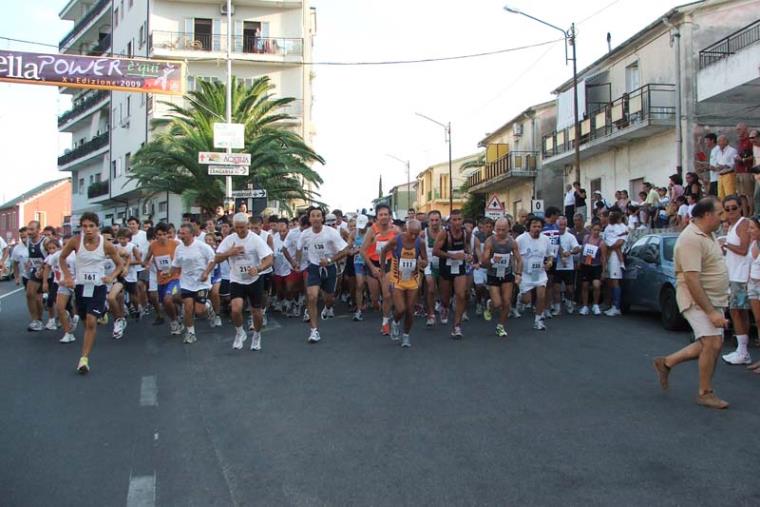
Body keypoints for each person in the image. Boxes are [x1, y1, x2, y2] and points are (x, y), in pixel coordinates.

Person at [653, 197, 730, 409]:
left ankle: (666, 362)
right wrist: (711, 312)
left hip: (713, 298)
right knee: (712, 343)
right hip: (697, 299)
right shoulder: (690, 239)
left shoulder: (708, 234)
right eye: (720, 213)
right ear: (707, 215)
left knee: (712, 344)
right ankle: (705, 392)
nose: (723, 218)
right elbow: (692, 280)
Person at [59, 212, 124, 374]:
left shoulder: (106, 245)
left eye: (91, 226)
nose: (88, 229)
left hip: (98, 287)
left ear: (97, 227)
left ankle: (84, 359)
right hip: (81, 286)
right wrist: (67, 276)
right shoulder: (75, 241)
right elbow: (62, 258)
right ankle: (102, 311)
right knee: (83, 317)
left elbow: (120, 264)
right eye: (85, 226)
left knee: (90, 322)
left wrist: (111, 277)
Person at [216, 213, 273, 350]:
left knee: (256, 312)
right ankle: (240, 332)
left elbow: (269, 259)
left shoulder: (255, 240)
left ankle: (257, 335)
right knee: (235, 309)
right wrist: (229, 252)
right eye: (237, 228)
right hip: (236, 279)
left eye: (243, 227)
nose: (240, 230)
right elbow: (216, 258)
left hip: (254, 279)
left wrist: (259, 268)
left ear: (248, 226)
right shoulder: (230, 240)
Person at [297, 207, 349, 343]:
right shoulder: (305, 234)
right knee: (312, 296)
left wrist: (330, 260)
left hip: (329, 268)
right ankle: (314, 331)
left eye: (318, 215)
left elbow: (345, 250)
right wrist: (297, 263)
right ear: (309, 219)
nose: (315, 218)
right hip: (313, 268)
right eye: (313, 216)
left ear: (322, 218)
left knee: (329, 299)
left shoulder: (331, 233)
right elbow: (298, 248)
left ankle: (327, 307)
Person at [380, 219, 428, 347]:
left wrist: (423, 263)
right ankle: (395, 322)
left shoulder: (421, 242)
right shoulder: (397, 239)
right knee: (401, 308)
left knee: (410, 310)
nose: (413, 236)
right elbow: (384, 251)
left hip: (413, 279)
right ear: (406, 230)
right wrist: (383, 271)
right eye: (411, 233)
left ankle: (406, 335)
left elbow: (425, 260)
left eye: (416, 234)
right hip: (397, 279)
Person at [718, 195, 752, 365]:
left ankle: (743, 350)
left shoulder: (743, 224)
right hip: (733, 275)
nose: (731, 211)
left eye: (734, 207)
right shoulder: (731, 227)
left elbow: (743, 249)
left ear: (740, 207)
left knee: (737, 311)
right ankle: (742, 349)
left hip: (741, 276)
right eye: (728, 208)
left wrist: (725, 245)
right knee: (738, 312)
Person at [172, 223, 217, 344]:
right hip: (186, 283)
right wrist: (168, 273)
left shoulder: (202, 246)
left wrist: (206, 272)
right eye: (180, 233)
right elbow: (176, 265)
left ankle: (208, 306)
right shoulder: (179, 248)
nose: (181, 236)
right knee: (187, 307)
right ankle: (190, 332)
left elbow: (213, 259)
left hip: (201, 283)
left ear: (191, 234)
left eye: (184, 233)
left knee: (199, 311)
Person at [433, 209, 472, 338]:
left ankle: (457, 326)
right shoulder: (444, 233)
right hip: (446, 267)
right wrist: (451, 255)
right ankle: (444, 307)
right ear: (450, 221)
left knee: (461, 295)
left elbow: (467, 247)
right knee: (445, 298)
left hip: (460, 267)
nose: (457, 222)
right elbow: (435, 251)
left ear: (462, 220)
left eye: (459, 219)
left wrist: (469, 255)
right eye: (454, 220)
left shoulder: (466, 233)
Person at [481, 217, 522, 337]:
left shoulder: (512, 242)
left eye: (503, 230)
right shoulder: (490, 241)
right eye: (498, 229)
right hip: (493, 274)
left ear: (508, 229)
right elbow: (484, 261)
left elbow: (519, 259)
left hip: (507, 273)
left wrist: (518, 274)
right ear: (495, 228)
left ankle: (500, 326)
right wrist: (493, 260)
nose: (500, 232)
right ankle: (491, 305)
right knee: (498, 303)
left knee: (507, 302)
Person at [361, 204, 398, 335]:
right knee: (375, 299)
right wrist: (372, 267)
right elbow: (362, 251)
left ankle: (385, 322)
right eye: (380, 215)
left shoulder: (396, 231)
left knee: (387, 295)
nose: (383, 217)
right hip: (373, 263)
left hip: (388, 264)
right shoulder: (372, 230)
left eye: (385, 214)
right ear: (376, 217)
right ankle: (379, 304)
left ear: (390, 216)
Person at [143, 223, 183, 336]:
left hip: (175, 277)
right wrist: (145, 264)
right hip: (161, 279)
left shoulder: (176, 244)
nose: (162, 237)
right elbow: (147, 259)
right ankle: (178, 314)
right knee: (166, 303)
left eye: (165, 234)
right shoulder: (153, 246)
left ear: (168, 234)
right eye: (159, 235)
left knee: (168, 299)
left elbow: (182, 258)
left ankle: (174, 322)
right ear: (156, 235)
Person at [516, 217, 553, 330]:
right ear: (529, 227)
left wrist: (550, 262)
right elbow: (515, 257)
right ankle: (520, 299)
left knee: (541, 296)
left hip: (539, 273)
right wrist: (516, 272)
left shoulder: (545, 239)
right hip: (525, 273)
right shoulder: (521, 239)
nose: (537, 229)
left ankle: (538, 320)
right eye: (534, 226)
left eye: (539, 227)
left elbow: (550, 254)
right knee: (527, 300)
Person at [42, 237, 79, 343]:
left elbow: (82, 272)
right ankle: (68, 333)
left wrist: (74, 281)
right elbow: (48, 267)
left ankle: (74, 317)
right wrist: (45, 281)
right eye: (65, 244)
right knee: (59, 307)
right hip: (62, 284)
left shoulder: (77, 257)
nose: (67, 247)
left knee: (80, 308)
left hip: (77, 283)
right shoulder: (56, 255)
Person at [23, 221, 48, 331]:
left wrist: (43, 268)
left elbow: (54, 255)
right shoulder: (28, 241)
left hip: (49, 271)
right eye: (28, 229)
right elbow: (31, 255)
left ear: (38, 230)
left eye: (32, 229)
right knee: (29, 294)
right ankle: (36, 321)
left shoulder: (45, 242)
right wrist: (29, 262)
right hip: (36, 271)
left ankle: (63, 316)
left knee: (54, 299)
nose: (29, 232)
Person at [577, 222, 607, 315]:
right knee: (585, 286)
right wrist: (579, 262)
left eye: (598, 230)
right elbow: (582, 251)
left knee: (596, 285)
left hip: (596, 266)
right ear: (591, 230)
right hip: (585, 265)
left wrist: (603, 271)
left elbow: (603, 257)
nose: (596, 232)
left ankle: (595, 305)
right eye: (594, 230)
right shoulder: (586, 238)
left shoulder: (601, 242)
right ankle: (585, 306)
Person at [602, 211, 627, 316]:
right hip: (609, 256)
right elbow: (605, 241)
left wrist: (611, 247)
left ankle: (617, 307)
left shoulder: (623, 227)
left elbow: (621, 242)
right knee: (611, 281)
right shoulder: (608, 228)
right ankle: (612, 305)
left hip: (616, 258)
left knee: (615, 281)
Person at [555, 216, 581, 314]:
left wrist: (570, 252)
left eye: (564, 225)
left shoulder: (570, 236)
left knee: (570, 288)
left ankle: (569, 303)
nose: (562, 227)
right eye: (560, 225)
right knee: (556, 288)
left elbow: (577, 248)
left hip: (568, 267)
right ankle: (557, 308)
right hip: (557, 266)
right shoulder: (554, 235)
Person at [421, 210, 443, 326]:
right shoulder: (423, 233)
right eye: (432, 220)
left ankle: (442, 305)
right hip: (429, 263)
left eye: (436, 220)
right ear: (428, 221)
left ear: (440, 220)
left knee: (444, 291)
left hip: (443, 263)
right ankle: (431, 314)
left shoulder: (445, 233)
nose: (434, 223)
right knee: (430, 287)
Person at [349, 214, 371, 321]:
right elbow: (348, 248)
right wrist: (353, 250)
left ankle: (372, 299)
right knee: (360, 284)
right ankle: (359, 310)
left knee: (371, 284)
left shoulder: (372, 232)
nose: (361, 228)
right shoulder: (354, 233)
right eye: (360, 226)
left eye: (363, 226)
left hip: (370, 261)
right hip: (358, 261)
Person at [735, 123, 755, 214]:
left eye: (739, 129)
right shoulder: (740, 141)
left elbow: (754, 155)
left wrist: (743, 159)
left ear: (745, 129)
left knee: (749, 194)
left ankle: (751, 213)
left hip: (747, 171)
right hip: (739, 170)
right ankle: (745, 214)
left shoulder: (750, 141)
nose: (737, 131)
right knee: (741, 195)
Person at [716, 134, 739, 200]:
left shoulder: (732, 150)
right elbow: (718, 164)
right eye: (718, 141)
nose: (718, 143)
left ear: (725, 141)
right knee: (721, 197)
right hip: (720, 176)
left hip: (729, 175)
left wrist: (723, 166)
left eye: (720, 141)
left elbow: (733, 164)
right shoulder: (718, 152)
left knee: (730, 196)